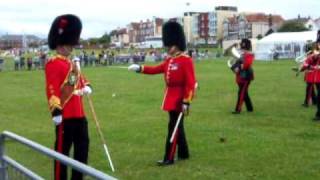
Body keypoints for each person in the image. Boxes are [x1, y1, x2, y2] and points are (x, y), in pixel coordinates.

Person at [128, 21, 197, 166]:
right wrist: (139, 68)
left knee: (173, 127)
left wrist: (186, 101)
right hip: (170, 97)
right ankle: (184, 153)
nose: (167, 48)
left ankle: (169, 157)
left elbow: (191, 83)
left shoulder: (186, 61)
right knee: (178, 126)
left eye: (169, 46)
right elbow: (154, 70)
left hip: (180, 99)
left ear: (177, 44)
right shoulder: (169, 60)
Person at [45, 14, 92, 180]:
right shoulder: (53, 63)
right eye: (69, 44)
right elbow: (51, 89)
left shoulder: (71, 63)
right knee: (62, 154)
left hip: (80, 115)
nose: (71, 47)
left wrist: (87, 86)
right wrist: (56, 111)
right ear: (60, 44)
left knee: (82, 151)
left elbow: (80, 79)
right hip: (65, 116)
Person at [300, 30, 320, 120]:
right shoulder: (314, 50)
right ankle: (314, 101)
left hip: (315, 74)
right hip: (313, 73)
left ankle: (307, 102)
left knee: (310, 88)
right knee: (311, 88)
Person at [232, 39, 254, 114]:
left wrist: (239, 67)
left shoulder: (249, 54)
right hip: (240, 76)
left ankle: (238, 109)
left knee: (241, 93)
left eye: (243, 47)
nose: (242, 48)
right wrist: (234, 67)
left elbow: (247, 64)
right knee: (245, 93)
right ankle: (250, 108)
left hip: (245, 77)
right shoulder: (242, 54)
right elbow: (238, 63)